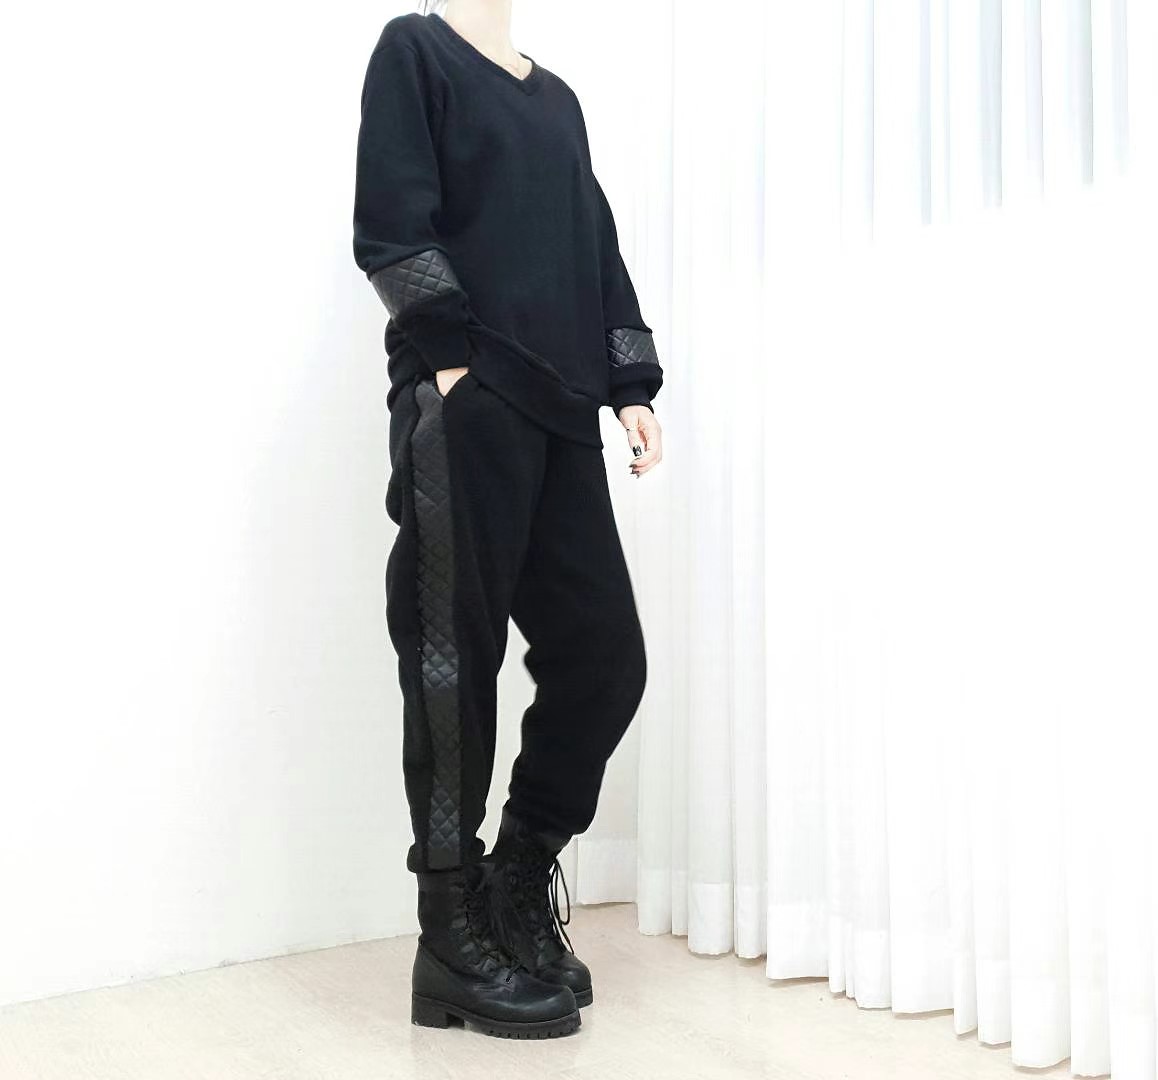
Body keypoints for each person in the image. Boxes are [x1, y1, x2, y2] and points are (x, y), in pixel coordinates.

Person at [351, 0, 664, 1039]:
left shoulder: (558, 100)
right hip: (469, 403)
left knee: (604, 659)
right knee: (453, 660)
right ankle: (448, 934)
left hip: (563, 412)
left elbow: (593, 243)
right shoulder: (415, 50)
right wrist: (450, 359)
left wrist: (630, 383)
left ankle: (515, 883)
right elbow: (390, 217)